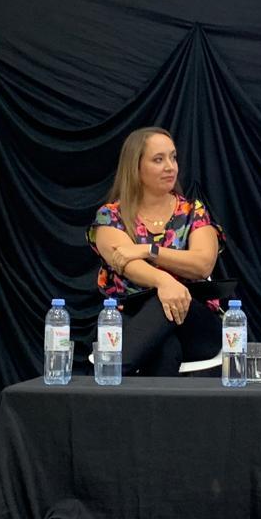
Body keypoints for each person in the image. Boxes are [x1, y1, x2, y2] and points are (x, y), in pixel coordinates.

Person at [88, 126, 225, 375]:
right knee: (164, 349)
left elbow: (203, 264)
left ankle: (109, 374)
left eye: (173, 157)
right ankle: (128, 389)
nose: (170, 167)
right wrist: (165, 282)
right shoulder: (110, 217)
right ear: (135, 167)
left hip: (194, 325)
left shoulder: (193, 211)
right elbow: (127, 264)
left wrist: (148, 250)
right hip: (133, 321)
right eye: (158, 160)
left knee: (161, 303)